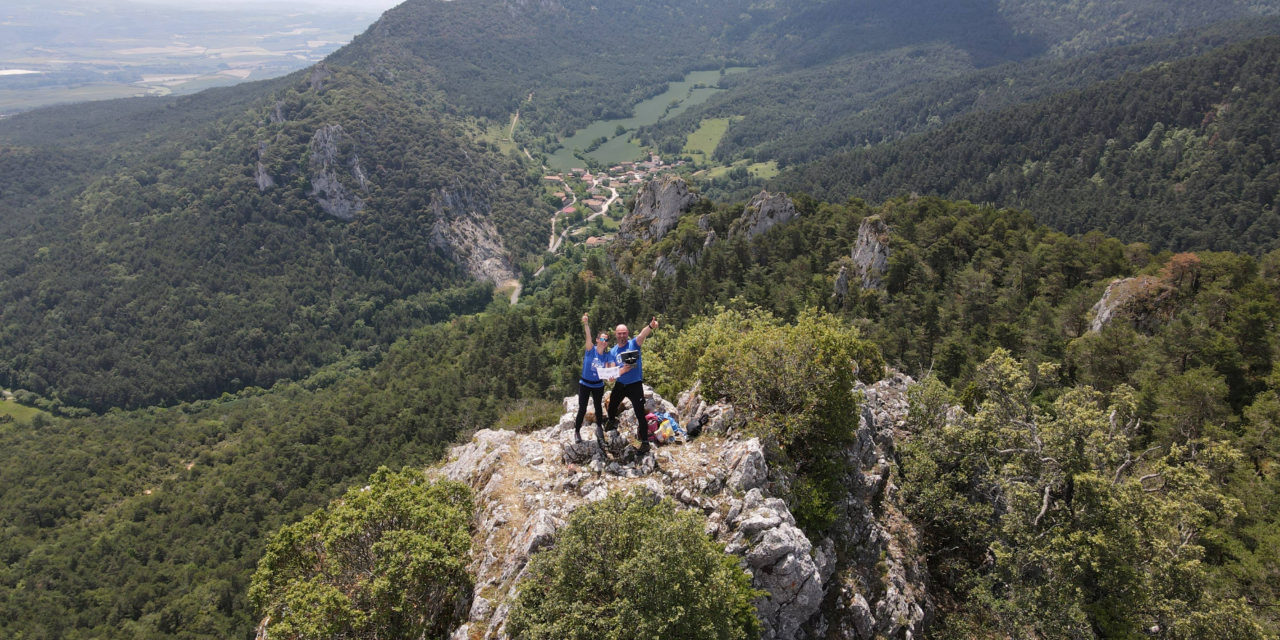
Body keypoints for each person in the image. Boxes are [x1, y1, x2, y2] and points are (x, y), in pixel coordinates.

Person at [606, 316, 659, 455]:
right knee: (612, 405)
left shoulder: (634, 344)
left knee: (640, 413)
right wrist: (615, 372)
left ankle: (645, 442)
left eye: (624, 333)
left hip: (635, 384)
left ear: (627, 333)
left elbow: (642, 334)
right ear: (616, 335)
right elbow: (612, 370)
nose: (622, 335)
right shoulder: (612, 352)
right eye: (619, 333)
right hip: (621, 383)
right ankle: (611, 421)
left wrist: (651, 326)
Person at [574, 313, 610, 452]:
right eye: (602, 338)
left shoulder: (606, 356)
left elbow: (608, 371)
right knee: (582, 408)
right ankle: (577, 431)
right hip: (585, 383)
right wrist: (586, 323)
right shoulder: (590, 350)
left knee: (598, 408)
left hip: (598, 385)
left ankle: (599, 429)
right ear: (597, 340)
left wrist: (612, 376)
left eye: (606, 340)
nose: (603, 341)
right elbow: (587, 337)